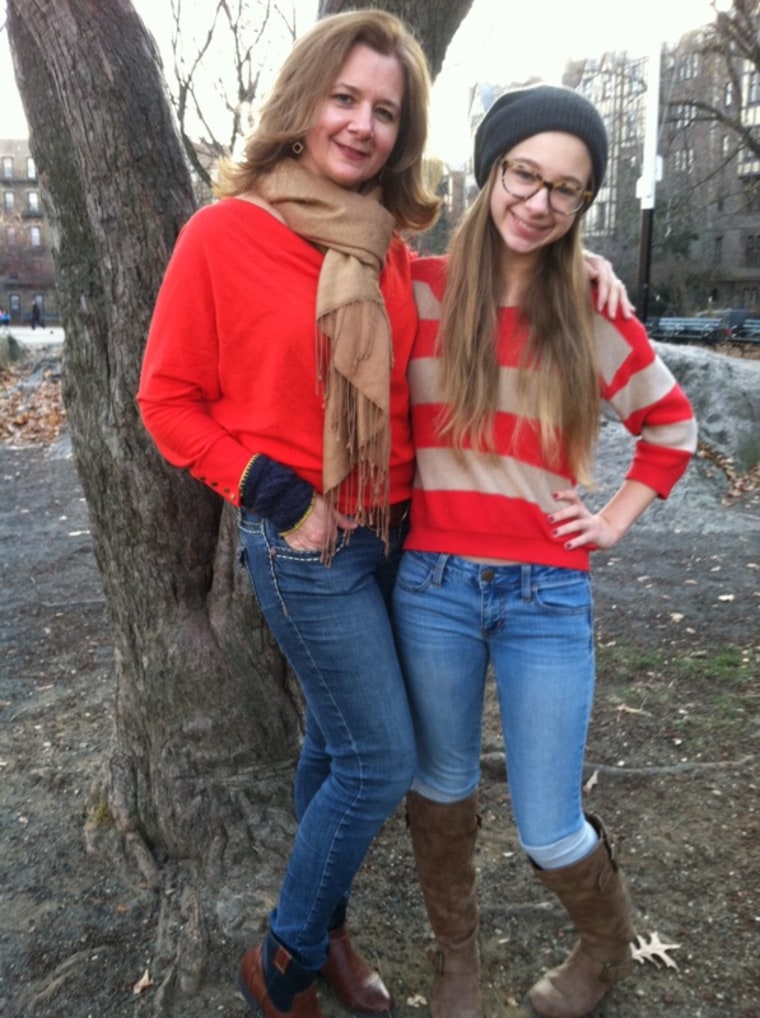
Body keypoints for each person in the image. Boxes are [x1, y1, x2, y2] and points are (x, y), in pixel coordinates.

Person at [137, 10, 630, 1011]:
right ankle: (281, 959)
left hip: (402, 538)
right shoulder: (224, 234)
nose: (362, 124)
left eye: (385, 111)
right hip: (308, 544)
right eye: (344, 98)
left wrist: (581, 269)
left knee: (330, 745)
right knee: (380, 756)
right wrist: (282, 497)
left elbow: (492, 287)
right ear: (303, 102)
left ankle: (330, 934)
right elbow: (166, 402)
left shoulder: (393, 249)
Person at [392, 84, 697, 1018]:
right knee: (439, 788)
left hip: (546, 597)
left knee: (550, 824)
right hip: (432, 585)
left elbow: (671, 427)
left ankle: (603, 950)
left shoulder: (592, 312)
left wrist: (612, 520)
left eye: (568, 190)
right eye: (526, 173)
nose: (540, 201)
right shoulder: (416, 288)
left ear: (582, 205)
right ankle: (457, 962)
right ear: (492, 169)